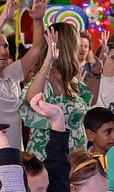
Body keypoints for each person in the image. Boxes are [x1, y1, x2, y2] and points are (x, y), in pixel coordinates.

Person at [0, 0, 48, 161]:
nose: (3, 51)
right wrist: (3, 18)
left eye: (5, 46)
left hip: (15, 157)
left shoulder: (12, 72)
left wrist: (38, 19)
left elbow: (37, 48)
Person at [20, 24, 97, 157]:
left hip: (75, 157)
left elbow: (90, 100)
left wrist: (97, 74)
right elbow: (33, 100)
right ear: (68, 48)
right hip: (49, 159)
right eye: (76, 45)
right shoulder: (44, 80)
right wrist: (48, 62)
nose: (79, 50)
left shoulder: (70, 81)